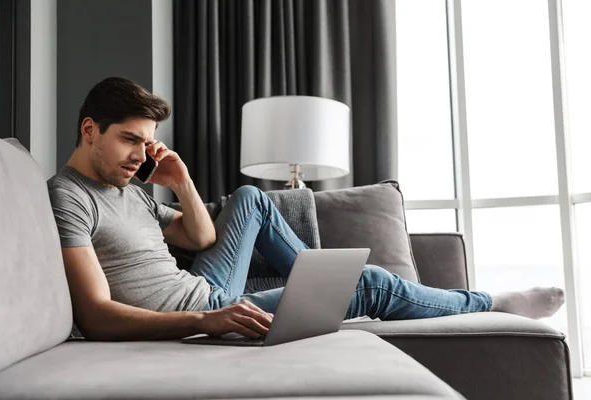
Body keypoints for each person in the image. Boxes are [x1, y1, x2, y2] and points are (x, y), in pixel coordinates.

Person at [48, 77, 565, 341]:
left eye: (147, 143)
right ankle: (490, 303)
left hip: (206, 289)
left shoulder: (130, 188)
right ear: (89, 129)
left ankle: (317, 280)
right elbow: (95, 316)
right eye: (128, 140)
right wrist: (209, 319)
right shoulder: (68, 196)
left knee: (251, 198)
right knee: (370, 284)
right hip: (195, 312)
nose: (140, 155)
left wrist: (181, 181)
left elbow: (200, 240)